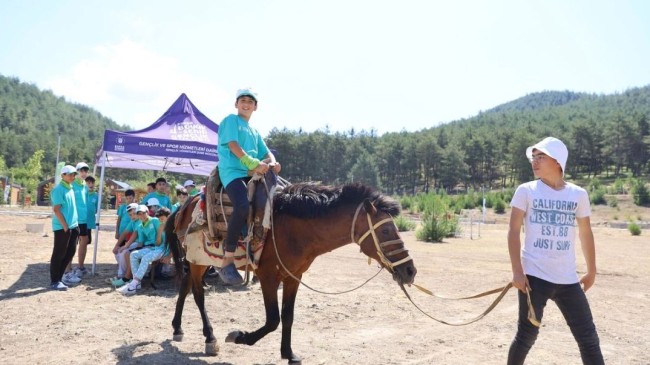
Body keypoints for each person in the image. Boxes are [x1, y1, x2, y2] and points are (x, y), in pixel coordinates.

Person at [507, 137, 604, 365]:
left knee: (588, 338)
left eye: (541, 157)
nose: (535, 162)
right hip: (534, 279)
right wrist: (517, 272)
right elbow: (513, 232)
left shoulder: (578, 194)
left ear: (558, 162)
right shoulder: (526, 191)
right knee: (526, 337)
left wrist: (591, 271)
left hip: (568, 280)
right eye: (534, 157)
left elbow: (585, 233)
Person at [216, 88, 281, 285]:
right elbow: (234, 146)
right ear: (236, 104)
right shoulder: (230, 120)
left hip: (250, 174)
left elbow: (267, 151)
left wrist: (274, 162)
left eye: (250, 102)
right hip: (232, 172)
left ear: (256, 107)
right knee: (242, 205)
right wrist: (253, 164)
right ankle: (227, 260)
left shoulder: (254, 131)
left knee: (276, 202)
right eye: (242, 100)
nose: (246, 104)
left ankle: (264, 253)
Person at [117, 205, 164, 296]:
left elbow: (162, 236)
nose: (142, 215)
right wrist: (132, 249)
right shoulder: (140, 226)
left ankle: (134, 283)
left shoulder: (154, 221)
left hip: (160, 248)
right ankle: (137, 284)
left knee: (145, 257)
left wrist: (167, 252)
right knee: (133, 254)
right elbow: (141, 242)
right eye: (139, 214)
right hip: (150, 248)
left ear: (148, 212)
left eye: (144, 213)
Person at [49, 165, 80, 290]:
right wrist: (65, 226)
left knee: (70, 252)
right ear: (63, 175)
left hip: (73, 226)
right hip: (63, 227)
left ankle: (59, 278)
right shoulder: (58, 190)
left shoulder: (70, 188)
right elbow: (56, 210)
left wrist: (73, 225)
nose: (72, 176)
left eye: (74, 174)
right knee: (59, 253)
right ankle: (54, 281)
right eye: (70, 174)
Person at [64, 162, 90, 282]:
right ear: (76, 172)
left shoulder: (84, 184)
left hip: (84, 219)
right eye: (81, 170)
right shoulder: (72, 184)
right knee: (71, 244)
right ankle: (67, 270)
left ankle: (80, 267)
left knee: (84, 241)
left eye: (86, 171)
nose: (84, 173)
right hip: (74, 219)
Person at [111, 203, 139, 288]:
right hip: (134, 243)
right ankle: (123, 275)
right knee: (117, 252)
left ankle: (125, 276)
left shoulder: (140, 221)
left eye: (134, 213)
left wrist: (125, 246)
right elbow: (124, 233)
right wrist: (116, 246)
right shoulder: (133, 221)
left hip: (141, 243)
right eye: (130, 215)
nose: (133, 216)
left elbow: (135, 235)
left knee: (124, 252)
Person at [85, 175, 98, 250]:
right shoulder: (82, 194)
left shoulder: (96, 195)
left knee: (88, 241)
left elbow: (97, 208)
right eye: (88, 183)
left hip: (90, 221)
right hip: (81, 220)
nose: (91, 185)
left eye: (92, 183)